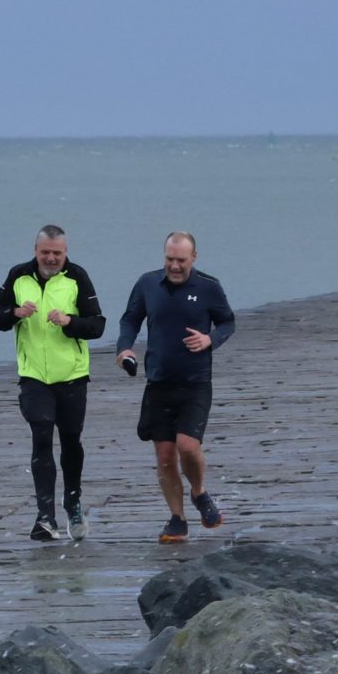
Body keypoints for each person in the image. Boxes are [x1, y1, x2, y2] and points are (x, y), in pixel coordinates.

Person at [0, 225, 106, 539]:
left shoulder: (77, 277)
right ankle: (45, 517)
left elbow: (97, 325)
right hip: (34, 375)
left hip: (72, 376)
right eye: (45, 253)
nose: (51, 258)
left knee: (70, 441)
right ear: (36, 251)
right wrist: (15, 313)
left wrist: (69, 322)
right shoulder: (19, 276)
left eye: (57, 253)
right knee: (41, 435)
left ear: (65, 252)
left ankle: (73, 503)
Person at [116, 232, 236, 543]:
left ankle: (199, 491)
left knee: (187, 446)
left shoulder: (208, 287)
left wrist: (210, 339)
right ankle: (177, 519)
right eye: (169, 259)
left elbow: (227, 323)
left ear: (193, 258)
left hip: (195, 382)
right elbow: (130, 319)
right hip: (158, 382)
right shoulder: (147, 284)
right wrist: (125, 348)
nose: (174, 265)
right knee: (166, 456)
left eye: (181, 260)